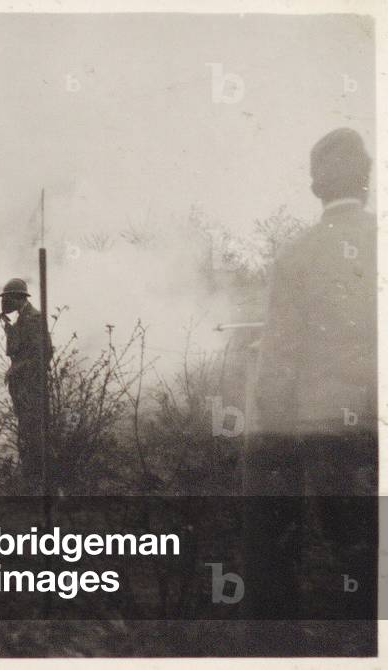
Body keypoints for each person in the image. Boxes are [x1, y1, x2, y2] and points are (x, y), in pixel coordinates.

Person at [246, 127, 376, 622]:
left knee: (344, 553)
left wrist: (270, 432)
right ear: (366, 179)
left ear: (315, 186)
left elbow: (279, 359)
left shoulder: (297, 254)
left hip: (328, 429)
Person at [0, 277, 52, 494]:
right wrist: (9, 329)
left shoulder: (33, 319)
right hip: (23, 383)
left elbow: (41, 353)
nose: (5, 303)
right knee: (26, 425)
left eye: (7, 298)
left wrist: (16, 369)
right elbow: (20, 349)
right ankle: (30, 473)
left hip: (32, 384)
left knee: (33, 427)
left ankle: (34, 476)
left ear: (15, 297)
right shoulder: (23, 319)